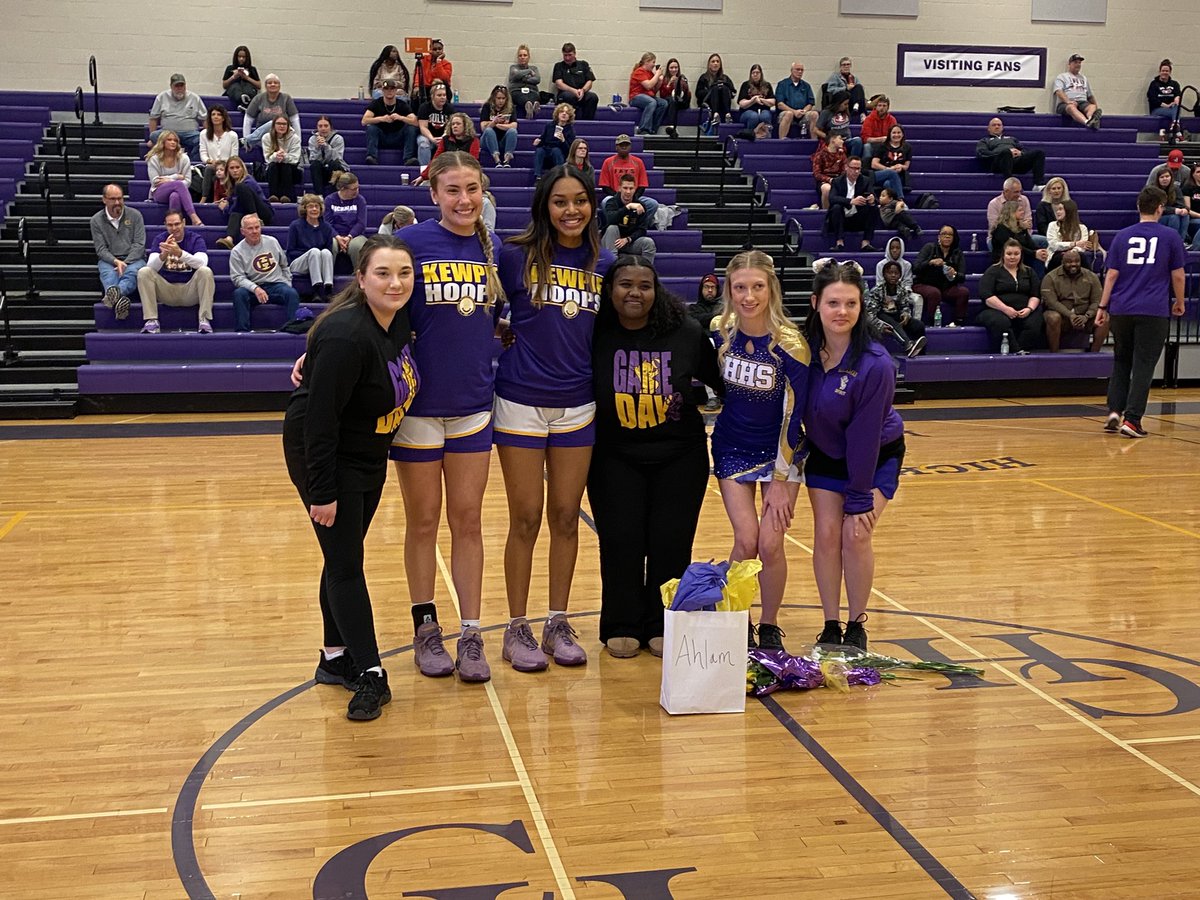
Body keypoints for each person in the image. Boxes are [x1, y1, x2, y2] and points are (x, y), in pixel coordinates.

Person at [282, 234, 420, 721]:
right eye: (382, 273)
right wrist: (322, 491)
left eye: (403, 273)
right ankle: (371, 673)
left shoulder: (396, 318)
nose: (395, 282)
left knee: (340, 556)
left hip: (367, 454)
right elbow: (319, 422)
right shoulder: (346, 335)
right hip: (327, 456)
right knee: (346, 565)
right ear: (360, 279)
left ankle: (334, 658)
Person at [388, 151, 505, 683]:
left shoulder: (494, 249)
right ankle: (425, 626)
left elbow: (497, 325)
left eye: (472, 190)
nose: (464, 200)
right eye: (453, 190)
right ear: (433, 194)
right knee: (424, 521)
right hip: (418, 411)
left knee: (468, 521)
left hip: (474, 408)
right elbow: (373, 313)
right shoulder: (410, 245)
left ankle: (473, 632)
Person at [492, 165, 614, 670]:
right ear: (545, 206)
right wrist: (501, 327)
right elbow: (484, 311)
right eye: (560, 201)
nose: (571, 210)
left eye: (580, 201)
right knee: (526, 518)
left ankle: (557, 621)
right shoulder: (513, 254)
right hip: (520, 399)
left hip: (578, 403)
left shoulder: (603, 261)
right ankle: (516, 627)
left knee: (567, 517)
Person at [589, 256, 722, 657]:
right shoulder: (594, 331)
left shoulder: (686, 331)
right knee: (620, 542)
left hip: (679, 456)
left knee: (671, 543)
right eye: (625, 284)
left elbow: (722, 379)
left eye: (644, 285)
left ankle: (665, 621)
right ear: (610, 289)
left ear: (656, 289)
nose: (635, 292)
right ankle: (622, 622)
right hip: (614, 455)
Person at [710, 250, 809, 651]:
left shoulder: (791, 343)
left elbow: (798, 416)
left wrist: (784, 481)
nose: (748, 296)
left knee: (771, 544)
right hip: (732, 446)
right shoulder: (720, 332)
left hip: (782, 453)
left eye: (757, 287)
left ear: (771, 289)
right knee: (746, 539)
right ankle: (738, 618)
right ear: (729, 291)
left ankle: (769, 624)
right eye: (740, 288)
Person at [804, 259, 904, 651]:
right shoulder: (803, 354)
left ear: (862, 307)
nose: (842, 312)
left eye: (850, 303)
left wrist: (860, 496)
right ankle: (831, 623)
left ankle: (856, 623)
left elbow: (865, 437)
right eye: (833, 303)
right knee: (827, 536)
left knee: (856, 534)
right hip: (826, 453)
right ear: (816, 303)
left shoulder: (876, 364)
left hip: (876, 455)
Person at [1097, 186, 1187, 437]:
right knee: (1144, 365)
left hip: (1122, 308)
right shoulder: (1170, 236)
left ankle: (1114, 411)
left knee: (1121, 360)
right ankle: (1133, 419)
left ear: (1139, 207)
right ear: (1160, 208)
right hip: (1153, 309)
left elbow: (1111, 275)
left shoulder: (1122, 236)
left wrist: (1103, 306)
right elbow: (1178, 275)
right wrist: (1179, 302)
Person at [136, 210, 214, 334]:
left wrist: (180, 254)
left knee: (205, 271)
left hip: (190, 291)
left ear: (183, 223)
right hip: (167, 291)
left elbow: (202, 263)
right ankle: (152, 321)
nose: (174, 228)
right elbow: (151, 266)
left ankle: (204, 319)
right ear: (165, 225)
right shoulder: (160, 239)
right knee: (144, 272)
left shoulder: (195, 239)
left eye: (177, 224)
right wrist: (163, 255)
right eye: (170, 225)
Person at [230, 214, 300, 331]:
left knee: (291, 293)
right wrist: (255, 288)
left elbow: (284, 265)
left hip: (276, 285)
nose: (254, 231)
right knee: (239, 294)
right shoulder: (237, 251)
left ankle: (293, 329)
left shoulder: (272, 242)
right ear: (243, 231)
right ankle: (242, 332)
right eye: (250, 228)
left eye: (257, 227)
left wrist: (287, 283)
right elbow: (237, 278)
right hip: (253, 288)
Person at [977, 239, 1044, 353]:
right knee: (1001, 322)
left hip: (1024, 309)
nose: (1012, 257)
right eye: (1009, 254)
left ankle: (1022, 349)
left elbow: (1035, 294)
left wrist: (1029, 309)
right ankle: (1015, 349)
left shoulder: (1029, 271)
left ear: (1021, 255)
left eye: (1016, 254)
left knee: (1035, 321)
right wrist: (1006, 309)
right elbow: (986, 295)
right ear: (1003, 255)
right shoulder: (993, 271)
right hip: (996, 310)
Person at [90, 184, 145, 320]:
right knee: (108, 274)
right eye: (113, 199)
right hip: (110, 259)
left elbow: (139, 245)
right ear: (104, 200)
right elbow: (101, 249)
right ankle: (119, 301)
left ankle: (114, 296)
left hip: (133, 259)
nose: (117, 203)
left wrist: (125, 263)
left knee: (133, 272)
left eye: (120, 199)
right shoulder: (96, 221)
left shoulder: (135, 215)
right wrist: (115, 261)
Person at [1041, 249, 1107, 352]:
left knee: (1104, 318)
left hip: (1085, 316)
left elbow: (1097, 300)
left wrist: (1087, 316)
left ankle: (1094, 353)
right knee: (1053, 317)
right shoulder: (1050, 278)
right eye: (1069, 262)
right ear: (1062, 262)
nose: (1073, 264)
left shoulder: (1091, 277)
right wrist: (1070, 315)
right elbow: (1052, 302)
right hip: (1062, 317)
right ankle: (1054, 353)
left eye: (1077, 261)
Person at [866, 260, 926, 357]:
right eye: (890, 273)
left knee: (918, 325)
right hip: (881, 316)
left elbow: (905, 306)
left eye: (896, 273)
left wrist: (906, 315)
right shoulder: (876, 291)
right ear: (884, 275)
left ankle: (920, 351)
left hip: (896, 315)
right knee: (892, 324)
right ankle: (908, 345)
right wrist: (880, 326)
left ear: (900, 275)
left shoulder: (901, 290)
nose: (893, 275)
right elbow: (870, 314)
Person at [912, 225, 969, 326]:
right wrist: (930, 262)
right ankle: (932, 323)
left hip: (946, 287)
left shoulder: (957, 253)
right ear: (939, 236)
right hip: (924, 284)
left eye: (950, 234)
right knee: (934, 293)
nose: (947, 237)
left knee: (963, 292)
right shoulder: (929, 247)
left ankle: (958, 322)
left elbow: (962, 277)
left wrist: (954, 273)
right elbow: (916, 268)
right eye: (944, 234)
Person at [145, 131, 202, 226]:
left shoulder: (184, 158)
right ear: (162, 142)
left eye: (175, 140)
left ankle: (174, 224)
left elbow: (187, 182)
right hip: (159, 192)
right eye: (169, 140)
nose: (173, 142)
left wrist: (168, 180)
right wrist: (176, 177)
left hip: (178, 191)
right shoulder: (154, 159)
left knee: (175, 196)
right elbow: (155, 181)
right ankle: (194, 217)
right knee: (179, 184)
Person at [214, 156, 272, 249]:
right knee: (237, 212)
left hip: (263, 213)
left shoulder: (248, 181)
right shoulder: (232, 185)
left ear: (242, 168)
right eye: (232, 168)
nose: (235, 170)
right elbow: (236, 207)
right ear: (227, 170)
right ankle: (229, 239)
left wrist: (225, 208)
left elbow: (235, 206)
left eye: (237, 167)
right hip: (245, 215)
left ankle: (256, 220)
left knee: (240, 189)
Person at [597, 135, 659, 222]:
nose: (624, 147)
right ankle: (613, 224)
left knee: (653, 204)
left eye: (626, 145)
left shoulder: (638, 162)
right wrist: (619, 198)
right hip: (615, 196)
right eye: (621, 145)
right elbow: (605, 186)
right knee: (605, 202)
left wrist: (633, 198)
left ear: (630, 147)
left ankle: (640, 225)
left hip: (633, 196)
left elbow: (642, 185)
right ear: (616, 147)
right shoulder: (608, 162)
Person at [287, 194, 336, 299]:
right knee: (315, 252)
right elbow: (290, 251)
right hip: (298, 263)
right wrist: (309, 254)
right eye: (310, 206)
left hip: (318, 261)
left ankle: (328, 288)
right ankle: (316, 290)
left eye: (316, 206)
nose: (314, 209)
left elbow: (329, 249)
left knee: (326, 253)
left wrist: (316, 255)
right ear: (305, 209)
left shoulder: (326, 227)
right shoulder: (295, 226)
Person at [975, 116, 1047, 189]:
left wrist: (1020, 153)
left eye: (999, 125)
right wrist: (1003, 153)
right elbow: (982, 153)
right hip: (999, 164)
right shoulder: (984, 140)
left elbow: (1024, 150)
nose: (997, 127)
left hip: (1016, 163)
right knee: (1006, 152)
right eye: (994, 125)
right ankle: (1010, 185)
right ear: (989, 128)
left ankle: (1038, 184)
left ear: (1002, 127)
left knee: (1039, 153)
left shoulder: (1011, 139)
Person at [826, 157, 879, 251]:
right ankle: (839, 242)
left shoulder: (865, 180)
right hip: (841, 218)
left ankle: (866, 242)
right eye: (853, 168)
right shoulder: (837, 181)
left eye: (858, 168)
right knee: (836, 207)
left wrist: (872, 200)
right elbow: (832, 198)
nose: (856, 171)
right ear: (846, 167)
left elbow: (874, 197)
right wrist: (850, 201)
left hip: (858, 218)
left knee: (873, 208)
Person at [148, 74, 206, 159]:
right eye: (176, 86)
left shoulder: (194, 98)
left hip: (189, 134)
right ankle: (164, 159)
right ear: (171, 86)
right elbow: (153, 118)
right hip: (167, 133)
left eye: (181, 85)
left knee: (202, 139)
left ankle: (193, 163)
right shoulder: (162, 97)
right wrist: (151, 139)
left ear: (185, 86)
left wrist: (208, 137)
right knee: (154, 136)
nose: (179, 88)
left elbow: (205, 119)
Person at [601, 174, 657, 262]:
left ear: (635, 189)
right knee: (612, 228)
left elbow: (642, 230)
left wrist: (628, 239)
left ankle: (647, 271)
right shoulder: (612, 202)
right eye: (625, 188)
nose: (628, 191)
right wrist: (628, 207)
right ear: (619, 188)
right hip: (611, 240)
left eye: (631, 188)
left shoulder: (641, 206)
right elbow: (611, 220)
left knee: (648, 242)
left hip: (629, 242)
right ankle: (612, 266)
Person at [362, 79, 417, 167]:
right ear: (383, 91)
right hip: (382, 137)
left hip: (398, 137)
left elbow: (415, 122)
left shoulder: (402, 104)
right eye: (387, 89)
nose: (389, 91)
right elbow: (364, 121)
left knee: (411, 128)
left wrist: (401, 118)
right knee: (371, 128)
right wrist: (381, 119)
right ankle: (372, 157)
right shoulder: (376, 103)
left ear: (395, 91)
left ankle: (408, 158)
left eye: (392, 89)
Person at [414, 112, 480, 184]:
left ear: (465, 126)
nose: (455, 126)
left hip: (465, 174)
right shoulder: (445, 140)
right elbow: (436, 159)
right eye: (453, 124)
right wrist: (423, 176)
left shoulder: (473, 140)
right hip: (447, 173)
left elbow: (473, 162)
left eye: (458, 124)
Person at [990, 199, 1049, 275]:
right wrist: (1034, 254)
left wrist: (1039, 251)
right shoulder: (1001, 229)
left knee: (1041, 257)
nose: (1023, 212)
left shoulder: (1020, 227)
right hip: (1007, 259)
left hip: (1023, 256)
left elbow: (1030, 244)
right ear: (1012, 213)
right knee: (1036, 259)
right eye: (1020, 210)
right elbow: (1014, 247)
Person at [987, 177, 1047, 249]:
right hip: (1001, 238)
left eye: (1020, 191)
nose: (1019, 194)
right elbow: (996, 227)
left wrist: (1021, 229)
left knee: (1045, 241)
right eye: (1016, 192)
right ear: (1006, 191)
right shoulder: (994, 204)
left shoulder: (1024, 199)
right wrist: (1020, 224)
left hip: (1022, 236)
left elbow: (1028, 223)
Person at [242, 75, 301, 148]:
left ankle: (248, 140)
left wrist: (298, 141)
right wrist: (246, 136)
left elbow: (295, 120)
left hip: (283, 135)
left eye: (275, 83)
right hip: (263, 137)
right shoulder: (258, 98)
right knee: (272, 125)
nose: (273, 84)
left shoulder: (286, 98)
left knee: (273, 123)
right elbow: (248, 120)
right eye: (270, 83)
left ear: (279, 86)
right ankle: (248, 140)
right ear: (266, 86)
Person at [325, 173, 368, 270]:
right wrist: (337, 237)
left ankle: (359, 277)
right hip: (334, 235)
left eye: (358, 188)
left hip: (355, 235)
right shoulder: (329, 200)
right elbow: (327, 223)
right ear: (343, 189)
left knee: (357, 246)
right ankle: (327, 278)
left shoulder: (360, 200)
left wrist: (349, 236)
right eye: (353, 189)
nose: (357, 191)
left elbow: (361, 223)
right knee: (331, 245)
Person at [197, 105, 238, 202]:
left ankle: (206, 198)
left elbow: (234, 156)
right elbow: (203, 154)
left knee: (215, 174)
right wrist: (210, 161)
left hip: (227, 166)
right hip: (212, 165)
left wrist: (224, 164)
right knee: (209, 169)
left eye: (219, 114)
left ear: (223, 118)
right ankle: (205, 197)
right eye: (213, 114)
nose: (215, 116)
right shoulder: (204, 134)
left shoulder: (232, 135)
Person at [1045, 199, 1100, 271]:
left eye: (1061, 209)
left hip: (1076, 254)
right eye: (1057, 210)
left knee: (1081, 257)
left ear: (1069, 211)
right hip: (1056, 255)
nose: (1057, 212)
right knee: (1059, 257)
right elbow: (1054, 245)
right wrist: (1074, 243)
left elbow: (1083, 246)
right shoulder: (1052, 225)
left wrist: (1071, 252)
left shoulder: (1082, 228)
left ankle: (1089, 280)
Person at [1053, 54, 1102, 129]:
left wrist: (1096, 107)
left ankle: (1091, 119)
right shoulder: (1062, 76)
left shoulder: (1084, 78)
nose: (1078, 64)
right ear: (1069, 64)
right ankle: (1087, 122)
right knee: (1071, 107)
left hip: (1082, 102)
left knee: (1092, 106)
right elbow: (1058, 91)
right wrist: (1068, 101)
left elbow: (1090, 96)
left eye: (1079, 63)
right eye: (1075, 62)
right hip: (1066, 104)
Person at [552, 43, 599, 121]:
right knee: (568, 96)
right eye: (565, 55)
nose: (567, 58)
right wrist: (573, 91)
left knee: (593, 97)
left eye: (570, 55)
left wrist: (583, 90)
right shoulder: (558, 66)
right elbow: (559, 83)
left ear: (575, 53)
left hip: (582, 92)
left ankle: (587, 122)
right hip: (566, 93)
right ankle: (570, 121)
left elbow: (589, 81)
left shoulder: (583, 64)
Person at [261, 115, 302, 202]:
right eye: (279, 123)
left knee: (285, 166)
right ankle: (273, 196)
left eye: (284, 124)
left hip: (291, 169)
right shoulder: (266, 137)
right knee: (273, 166)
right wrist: (276, 155)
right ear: (274, 125)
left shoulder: (295, 138)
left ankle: (286, 196)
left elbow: (295, 159)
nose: (281, 126)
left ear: (288, 126)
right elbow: (267, 159)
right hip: (273, 168)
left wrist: (284, 156)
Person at [532, 103, 575, 180]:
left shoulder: (570, 130)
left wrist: (563, 140)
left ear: (569, 116)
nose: (564, 114)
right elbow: (542, 140)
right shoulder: (549, 125)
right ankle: (537, 176)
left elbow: (569, 150)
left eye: (567, 113)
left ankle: (561, 176)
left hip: (560, 153)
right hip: (547, 150)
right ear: (558, 114)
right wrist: (537, 142)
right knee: (539, 151)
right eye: (562, 112)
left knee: (556, 150)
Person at [417, 83, 456, 168]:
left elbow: (450, 127)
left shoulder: (449, 108)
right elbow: (423, 127)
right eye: (439, 95)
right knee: (423, 144)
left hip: (444, 137)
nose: (442, 97)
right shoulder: (425, 107)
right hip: (428, 136)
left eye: (444, 95)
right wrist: (432, 139)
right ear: (432, 96)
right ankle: (424, 171)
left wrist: (443, 138)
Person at [308, 115, 349, 195]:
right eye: (320, 126)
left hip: (335, 169)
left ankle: (334, 195)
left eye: (326, 126)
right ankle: (319, 195)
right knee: (314, 165)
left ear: (330, 127)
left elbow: (337, 158)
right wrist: (318, 147)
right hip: (321, 171)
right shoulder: (312, 139)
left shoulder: (338, 138)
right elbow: (313, 159)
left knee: (334, 164)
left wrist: (326, 146)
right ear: (317, 127)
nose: (323, 128)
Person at [629, 52, 668, 136]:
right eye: (653, 62)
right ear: (647, 61)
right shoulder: (639, 71)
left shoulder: (650, 73)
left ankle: (653, 129)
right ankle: (643, 129)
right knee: (651, 102)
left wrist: (659, 80)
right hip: (636, 97)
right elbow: (648, 86)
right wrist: (657, 74)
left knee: (663, 103)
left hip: (648, 96)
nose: (654, 65)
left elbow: (654, 90)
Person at [814, 91, 862, 158]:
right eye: (845, 104)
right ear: (838, 103)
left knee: (858, 141)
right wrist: (829, 137)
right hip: (834, 142)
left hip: (846, 140)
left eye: (847, 104)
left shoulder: (846, 111)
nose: (847, 106)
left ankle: (852, 161)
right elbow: (816, 130)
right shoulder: (826, 113)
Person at [775, 61, 817, 139]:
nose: (800, 72)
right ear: (791, 70)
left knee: (814, 114)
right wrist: (794, 112)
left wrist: (804, 111)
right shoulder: (782, 84)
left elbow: (810, 103)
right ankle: (782, 140)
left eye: (802, 70)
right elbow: (780, 104)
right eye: (797, 69)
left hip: (802, 113)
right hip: (787, 113)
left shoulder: (806, 86)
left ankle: (814, 141)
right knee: (789, 114)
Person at [480, 85, 519, 167]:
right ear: (494, 98)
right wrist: (494, 122)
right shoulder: (487, 106)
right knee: (489, 131)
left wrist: (497, 125)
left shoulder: (511, 108)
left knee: (512, 131)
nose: (501, 101)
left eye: (503, 98)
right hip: (487, 141)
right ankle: (497, 159)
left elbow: (514, 126)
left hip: (502, 140)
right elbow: (483, 127)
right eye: (498, 98)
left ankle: (507, 160)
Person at [870, 124, 911, 200]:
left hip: (897, 176)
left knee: (888, 184)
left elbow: (906, 166)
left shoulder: (907, 147)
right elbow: (874, 164)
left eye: (899, 133)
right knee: (891, 173)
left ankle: (893, 205)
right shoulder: (882, 146)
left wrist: (901, 167)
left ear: (902, 135)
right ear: (890, 134)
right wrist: (888, 169)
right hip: (880, 174)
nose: (896, 135)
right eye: (894, 133)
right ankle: (901, 200)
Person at [695, 53, 735, 128]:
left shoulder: (725, 78)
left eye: (717, 61)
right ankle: (715, 114)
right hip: (708, 104)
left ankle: (728, 115)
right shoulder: (704, 78)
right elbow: (698, 93)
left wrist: (723, 89)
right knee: (715, 88)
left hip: (722, 105)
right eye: (713, 61)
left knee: (724, 87)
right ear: (709, 64)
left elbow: (733, 92)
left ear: (720, 65)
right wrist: (712, 90)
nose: (715, 63)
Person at [1152, 166, 1191, 242]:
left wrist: (1184, 210)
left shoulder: (1175, 188)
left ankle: (1181, 241)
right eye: (1162, 177)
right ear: (1158, 179)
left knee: (1185, 215)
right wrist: (1174, 210)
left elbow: (1181, 204)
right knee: (1174, 217)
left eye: (1167, 176)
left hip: (1173, 213)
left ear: (1171, 177)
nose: (1165, 179)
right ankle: (1171, 241)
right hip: (1157, 216)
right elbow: (1156, 207)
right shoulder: (1153, 189)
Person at [1147, 59, 1182, 140]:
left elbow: (1178, 95)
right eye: (1163, 70)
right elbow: (1152, 99)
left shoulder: (1175, 84)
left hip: (1172, 109)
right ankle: (1176, 129)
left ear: (1170, 72)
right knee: (1176, 111)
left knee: (1177, 107)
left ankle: (1175, 124)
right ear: (1160, 71)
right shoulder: (1154, 84)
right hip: (1157, 110)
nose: (1165, 72)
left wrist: (1177, 99)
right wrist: (1166, 105)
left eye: (1167, 71)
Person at [811, 132, 847, 210]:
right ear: (833, 140)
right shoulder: (820, 155)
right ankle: (826, 212)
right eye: (840, 139)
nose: (842, 141)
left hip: (838, 179)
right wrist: (829, 180)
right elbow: (817, 174)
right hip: (824, 181)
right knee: (827, 189)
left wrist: (839, 180)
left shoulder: (842, 154)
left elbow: (844, 170)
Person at [859, 94, 897, 164]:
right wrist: (881, 139)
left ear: (888, 107)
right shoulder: (869, 119)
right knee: (867, 147)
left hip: (886, 145)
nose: (882, 108)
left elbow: (895, 136)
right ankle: (865, 168)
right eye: (879, 105)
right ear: (875, 107)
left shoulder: (892, 120)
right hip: (873, 145)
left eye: (884, 106)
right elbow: (865, 139)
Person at [659, 58, 691, 139]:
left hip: (680, 101)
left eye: (676, 67)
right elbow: (662, 94)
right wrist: (670, 83)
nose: (674, 70)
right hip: (670, 100)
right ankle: (672, 127)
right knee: (672, 101)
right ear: (668, 69)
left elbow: (687, 93)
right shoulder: (664, 79)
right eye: (671, 68)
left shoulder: (682, 78)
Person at [736, 64, 776, 129]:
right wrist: (753, 100)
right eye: (753, 73)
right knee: (754, 116)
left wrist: (761, 99)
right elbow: (742, 103)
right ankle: (751, 135)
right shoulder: (745, 85)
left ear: (761, 74)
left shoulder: (767, 85)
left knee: (765, 116)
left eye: (757, 73)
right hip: (747, 112)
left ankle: (766, 136)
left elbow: (773, 102)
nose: (755, 74)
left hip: (764, 111)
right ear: (751, 74)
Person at [508, 45, 542, 119]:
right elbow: (515, 75)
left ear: (528, 57)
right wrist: (529, 71)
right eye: (520, 55)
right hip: (517, 90)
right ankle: (528, 105)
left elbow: (537, 79)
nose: (522, 57)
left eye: (525, 55)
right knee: (519, 96)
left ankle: (533, 106)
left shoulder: (534, 68)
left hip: (531, 90)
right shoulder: (513, 67)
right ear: (518, 57)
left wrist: (523, 78)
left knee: (535, 95)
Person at [417, 39, 453, 104]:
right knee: (416, 95)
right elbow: (418, 74)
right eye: (434, 49)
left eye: (440, 49)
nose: (438, 51)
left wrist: (438, 62)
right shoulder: (423, 60)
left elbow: (445, 78)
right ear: (430, 50)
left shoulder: (447, 64)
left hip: (442, 87)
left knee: (446, 92)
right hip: (427, 88)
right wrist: (416, 86)